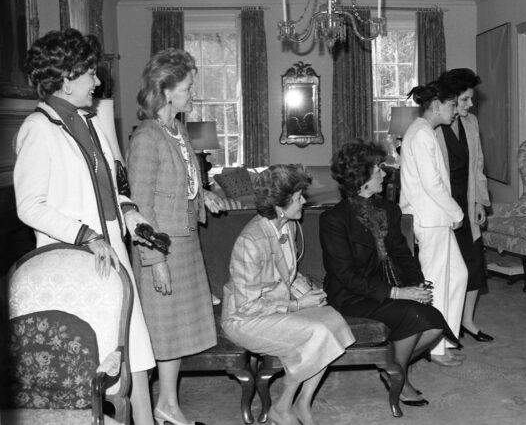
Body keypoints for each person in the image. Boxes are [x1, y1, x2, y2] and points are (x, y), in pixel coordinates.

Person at [14, 29, 156, 425]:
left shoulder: (88, 122)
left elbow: (110, 184)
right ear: (66, 75)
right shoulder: (39, 129)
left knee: (136, 349)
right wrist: (85, 235)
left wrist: (129, 213)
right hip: (80, 260)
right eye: (90, 73)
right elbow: (29, 206)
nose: (97, 81)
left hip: (112, 248)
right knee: (97, 358)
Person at [128, 48, 226, 425]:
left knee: (176, 332)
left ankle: (167, 403)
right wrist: (155, 262)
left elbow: (179, 184)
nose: (192, 93)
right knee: (163, 330)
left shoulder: (178, 129)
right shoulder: (146, 138)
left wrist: (204, 195)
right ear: (166, 90)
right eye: (187, 87)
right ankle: (161, 403)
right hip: (161, 247)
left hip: (186, 242)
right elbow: (140, 208)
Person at [320, 140, 458, 406]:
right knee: (415, 315)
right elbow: (345, 274)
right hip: (351, 294)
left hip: (386, 285)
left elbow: (402, 254)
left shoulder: (389, 210)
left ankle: (391, 366)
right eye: (378, 169)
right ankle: (400, 378)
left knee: (434, 325)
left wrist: (418, 285)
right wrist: (398, 293)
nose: (384, 173)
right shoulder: (334, 220)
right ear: (361, 176)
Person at [221, 165, 354, 425]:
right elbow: (247, 305)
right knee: (317, 334)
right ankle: (282, 407)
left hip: (273, 306)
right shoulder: (251, 241)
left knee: (334, 320)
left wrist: (310, 293)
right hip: (244, 318)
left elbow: (288, 276)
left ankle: (303, 404)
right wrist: (295, 305)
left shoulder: (288, 226)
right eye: (297, 198)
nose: (304, 201)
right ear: (280, 205)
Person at [399, 81, 468, 367]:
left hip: (435, 217)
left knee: (459, 275)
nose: (456, 111)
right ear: (437, 105)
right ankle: (434, 346)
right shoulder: (422, 134)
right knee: (437, 283)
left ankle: (443, 339)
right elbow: (433, 184)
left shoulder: (425, 131)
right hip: (430, 219)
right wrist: (457, 213)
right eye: (453, 105)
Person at [436, 68, 494, 343]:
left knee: (473, 264)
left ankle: (468, 321)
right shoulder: (433, 126)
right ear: (450, 98)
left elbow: (478, 165)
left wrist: (480, 200)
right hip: (443, 205)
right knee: (447, 268)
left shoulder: (470, 123)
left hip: (467, 200)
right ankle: (446, 324)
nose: (470, 105)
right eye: (465, 100)